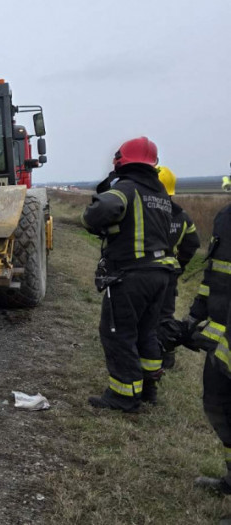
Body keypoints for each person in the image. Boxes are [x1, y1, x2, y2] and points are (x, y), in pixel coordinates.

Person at [81, 136, 175, 412]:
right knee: (146, 331)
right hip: (160, 275)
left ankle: (124, 395)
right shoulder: (160, 195)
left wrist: (91, 221)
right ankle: (148, 389)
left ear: (122, 160)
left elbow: (99, 211)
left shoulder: (125, 189)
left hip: (131, 275)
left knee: (117, 332)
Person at [190, 174, 231, 494]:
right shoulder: (225, 218)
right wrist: (197, 312)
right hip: (221, 339)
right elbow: (214, 274)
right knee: (217, 404)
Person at [156, 165, 200, 370]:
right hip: (170, 273)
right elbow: (192, 243)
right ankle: (167, 355)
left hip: (145, 271)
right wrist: (179, 265)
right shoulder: (182, 216)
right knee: (165, 316)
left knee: (142, 314)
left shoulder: (149, 212)